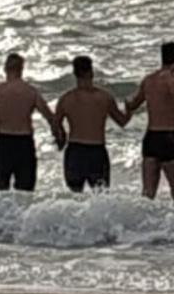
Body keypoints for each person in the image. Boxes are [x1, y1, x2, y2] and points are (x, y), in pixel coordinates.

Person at [0, 52, 57, 191]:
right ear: (22, 69)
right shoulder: (31, 92)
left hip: (4, 144)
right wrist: (59, 137)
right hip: (24, 145)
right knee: (26, 194)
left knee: (1, 192)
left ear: (5, 69)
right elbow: (50, 118)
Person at [126, 42, 174, 203]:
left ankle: (141, 225)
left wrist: (126, 105)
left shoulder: (148, 80)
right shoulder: (172, 79)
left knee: (148, 193)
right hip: (168, 137)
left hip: (151, 137)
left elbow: (133, 104)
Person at [53, 55, 130, 193]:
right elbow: (122, 122)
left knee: (75, 198)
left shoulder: (66, 99)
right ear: (91, 73)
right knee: (101, 198)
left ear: (75, 74)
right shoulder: (104, 97)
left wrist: (61, 138)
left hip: (75, 152)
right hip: (96, 152)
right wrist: (130, 109)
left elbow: (55, 126)